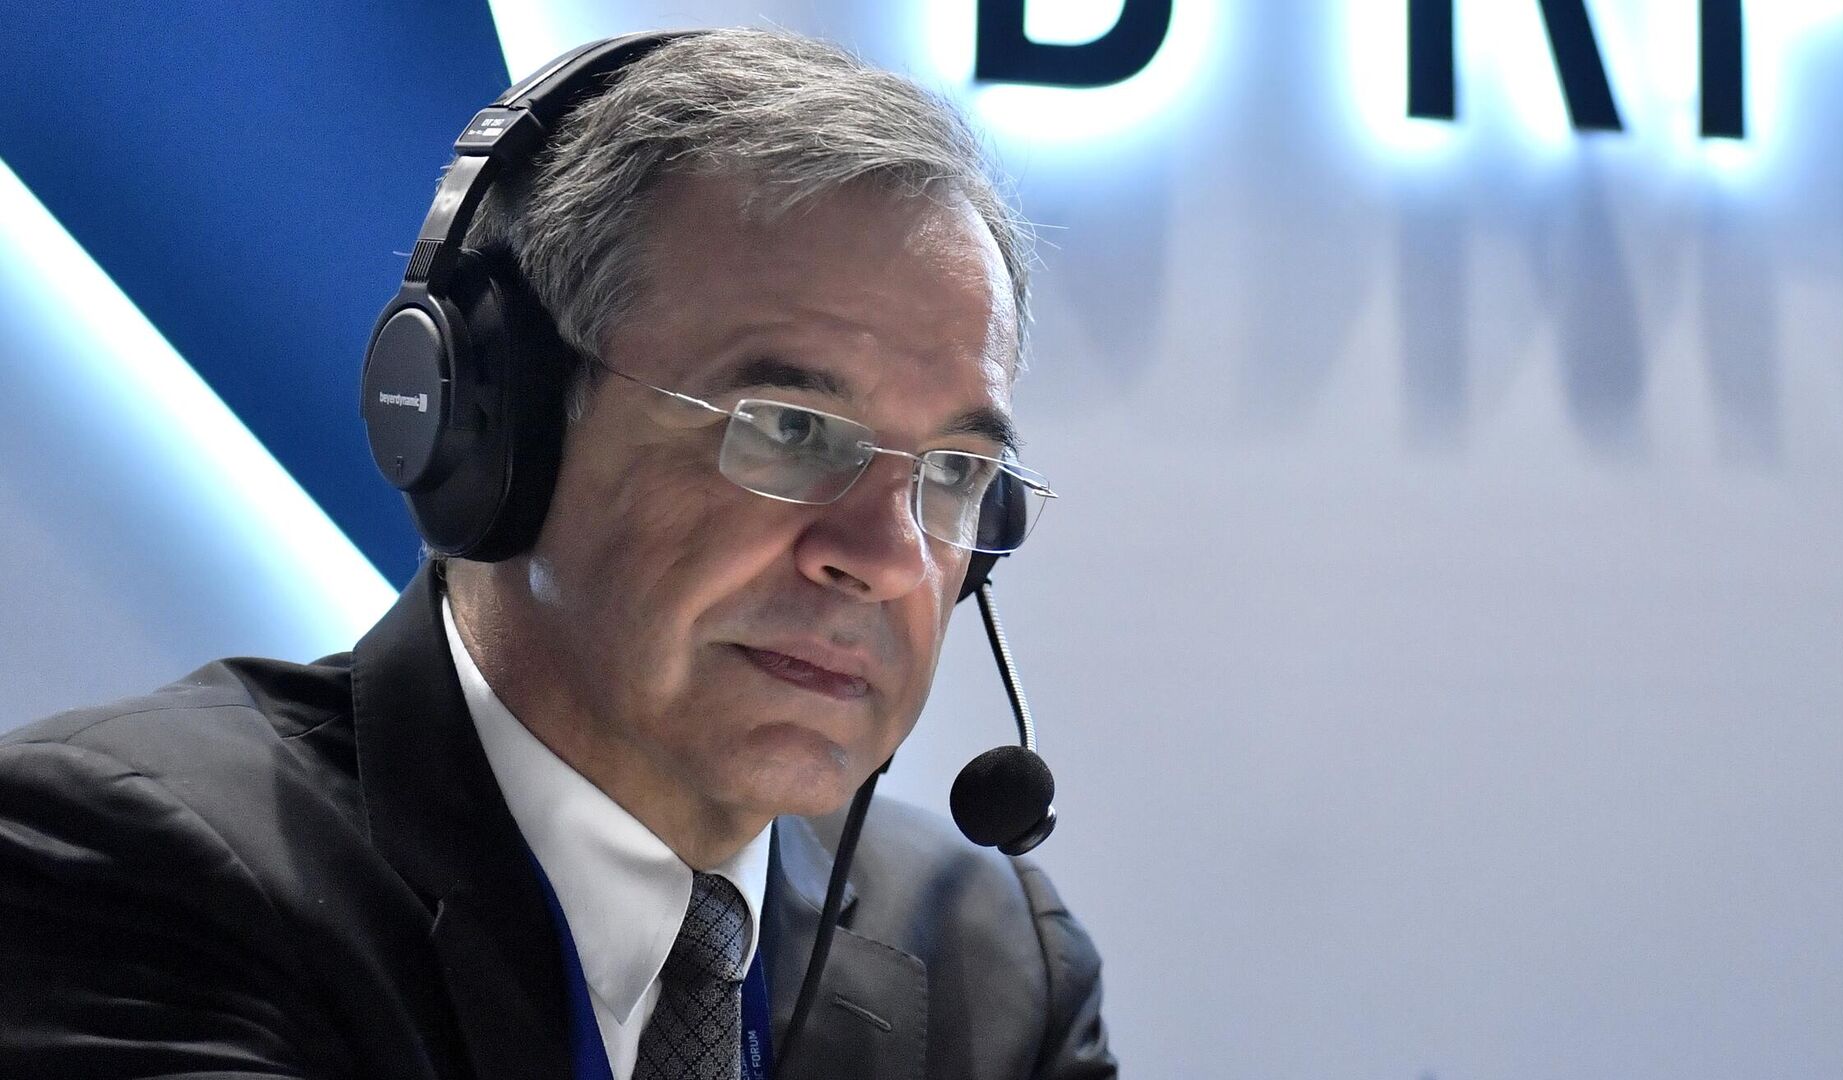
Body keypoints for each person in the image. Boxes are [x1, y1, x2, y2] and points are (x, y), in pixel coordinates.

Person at [0, 28, 1115, 1080]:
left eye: (954, 473)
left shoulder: (995, 964)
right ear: (498, 428)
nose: (885, 557)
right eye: (788, 428)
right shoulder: (128, 869)